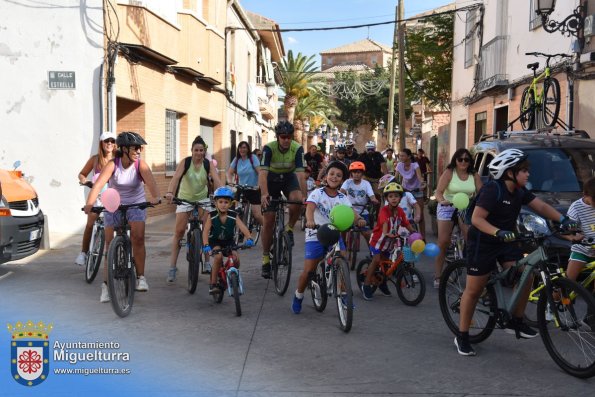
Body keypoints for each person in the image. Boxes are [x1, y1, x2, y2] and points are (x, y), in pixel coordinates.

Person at [456, 148, 575, 356]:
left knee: (526, 273)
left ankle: (516, 321)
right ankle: (463, 336)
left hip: (505, 241)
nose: (528, 174)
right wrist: (498, 232)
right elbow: (477, 219)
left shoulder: (519, 191)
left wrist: (563, 220)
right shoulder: (493, 189)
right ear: (509, 172)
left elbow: (542, 207)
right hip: (483, 242)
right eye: (524, 170)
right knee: (474, 290)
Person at [83, 131, 161, 302]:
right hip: (114, 203)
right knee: (109, 245)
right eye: (135, 148)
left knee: (138, 238)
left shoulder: (141, 165)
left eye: (140, 148)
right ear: (124, 149)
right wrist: (90, 204)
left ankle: (141, 278)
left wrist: (155, 197)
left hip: (136, 203)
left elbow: (152, 185)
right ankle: (105, 285)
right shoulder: (113, 165)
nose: (139, 151)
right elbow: (98, 185)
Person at [292, 161, 366, 313]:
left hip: (334, 233)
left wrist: (358, 219)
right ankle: (298, 295)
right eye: (332, 174)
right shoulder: (317, 193)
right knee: (309, 269)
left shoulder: (342, 197)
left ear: (342, 180)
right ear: (325, 177)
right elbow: (310, 208)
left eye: (339, 175)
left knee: (342, 258)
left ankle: (344, 293)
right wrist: (310, 220)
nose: (335, 177)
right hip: (316, 233)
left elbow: (351, 211)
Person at [164, 136, 222, 283]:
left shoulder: (208, 164)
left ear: (204, 152)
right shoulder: (186, 162)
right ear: (192, 151)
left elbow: (216, 179)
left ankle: (207, 262)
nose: (198, 153)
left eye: (201, 150)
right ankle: (172, 268)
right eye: (196, 150)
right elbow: (175, 178)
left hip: (202, 199)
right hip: (185, 199)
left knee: (207, 230)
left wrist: (222, 194)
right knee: (178, 232)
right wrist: (170, 192)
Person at [259, 121, 307, 278]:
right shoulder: (269, 148)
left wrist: (305, 196)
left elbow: (300, 174)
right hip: (271, 179)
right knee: (268, 221)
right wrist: (264, 193)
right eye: (283, 137)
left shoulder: (297, 148)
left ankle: (290, 228)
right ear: (278, 137)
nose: (286, 140)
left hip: (288, 177)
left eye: (289, 137)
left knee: (297, 199)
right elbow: (262, 174)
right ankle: (266, 258)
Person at [433, 149, 482, 289]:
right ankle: (438, 275)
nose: (463, 162)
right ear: (455, 160)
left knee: (471, 241)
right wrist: (441, 201)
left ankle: (474, 276)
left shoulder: (474, 175)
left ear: (470, 162)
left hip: (466, 208)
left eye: (466, 159)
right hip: (448, 207)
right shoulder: (449, 173)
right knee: (443, 242)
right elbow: (438, 192)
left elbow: (482, 193)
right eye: (460, 159)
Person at [361, 182, 418, 300]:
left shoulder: (400, 211)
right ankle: (366, 284)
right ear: (386, 198)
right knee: (376, 260)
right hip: (378, 241)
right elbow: (384, 222)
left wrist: (414, 232)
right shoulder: (384, 211)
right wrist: (387, 232)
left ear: (400, 198)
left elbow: (406, 223)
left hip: (389, 243)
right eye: (390, 196)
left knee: (386, 266)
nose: (393, 199)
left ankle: (382, 283)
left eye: (396, 196)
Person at [202, 186, 254, 294]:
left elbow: (243, 227)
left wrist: (249, 237)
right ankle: (213, 284)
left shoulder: (233, 215)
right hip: (215, 241)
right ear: (215, 203)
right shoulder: (211, 216)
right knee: (218, 257)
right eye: (220, 202)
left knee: (236, 259)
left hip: (229, 241)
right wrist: (206, 244)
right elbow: (206, 231)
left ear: (230, 204)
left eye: (226, 202)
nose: (223, 204)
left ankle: (232, 276)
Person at [75, 131, 116, 266]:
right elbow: (81, 174)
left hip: (113, 196)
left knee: (117, 225)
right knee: (90, 223)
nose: (109, 143)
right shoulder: (95, 159)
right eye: (106, 141)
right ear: (101, 143)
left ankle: (115, 253)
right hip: (97, 196)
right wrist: (85, 180)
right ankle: (84, 253)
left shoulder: (118, 159)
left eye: (112, 140)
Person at [565, 176, 595, 284]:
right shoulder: (576, 208)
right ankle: (553, 299)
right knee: (568, 281)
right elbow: (565, 230)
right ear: (585, 194)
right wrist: (573, 237)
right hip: (582, 249)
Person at [226, 140, 263, 227]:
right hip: (241, 188)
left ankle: (267, 228)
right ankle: (239, 233)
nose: (242, 149)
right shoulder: (237, 159)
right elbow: (229, 172)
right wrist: (230, 181)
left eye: (244, 147)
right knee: (238, 212)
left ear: (248, 149)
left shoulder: (252, 158)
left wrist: (258, 185)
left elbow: (260, 172)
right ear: (238, 149)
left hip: (253, 188)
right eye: (240, 147)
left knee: (257, 214)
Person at [340, 161, 378, 242]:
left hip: (363, 211)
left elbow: (371, 195)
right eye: (354, 172)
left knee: (366, 233)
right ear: (351, 173)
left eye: (358, 172)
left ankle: (371, 252)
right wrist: (338, 197)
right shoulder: (347, 182)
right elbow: (341, 192)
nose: (356, 174)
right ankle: (343, 247)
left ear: (362, 174)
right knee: (343, 230)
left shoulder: (366, 183)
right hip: (348, 211)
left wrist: (373, 199)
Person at [395, 148, 426, 237]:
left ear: (408, 156)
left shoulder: (415, 165)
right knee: (402, 213)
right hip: (405, 191)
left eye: (403, 155)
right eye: (400, 155)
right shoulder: (399, 165)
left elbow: (420, 178)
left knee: (420, 216)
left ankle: (423, 237)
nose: (400, 157)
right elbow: (395, 178)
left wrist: (423, 184)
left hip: (417, 191)